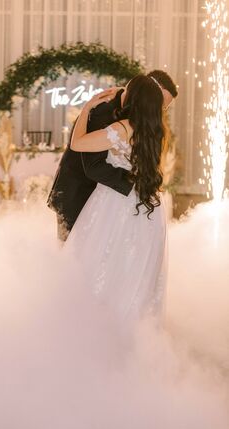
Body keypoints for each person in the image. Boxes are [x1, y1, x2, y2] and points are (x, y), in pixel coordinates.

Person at [65, 74, 177, 323]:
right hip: (147, 207)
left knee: (101, 264)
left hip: (114, 203)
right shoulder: (156, 131)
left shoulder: (122, 128)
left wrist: (87, 108)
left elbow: (78, 144)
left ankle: (101, 325)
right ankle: (133, 331)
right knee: (135, 269)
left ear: (134, 97)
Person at [47, 70, 178, 241]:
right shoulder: (103, 108)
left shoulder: (136, 118)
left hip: (112, 200)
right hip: (80, 192)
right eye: (161, 104)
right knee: (74, 257)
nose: (159, 110)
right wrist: (134, 183)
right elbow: (93, 166)